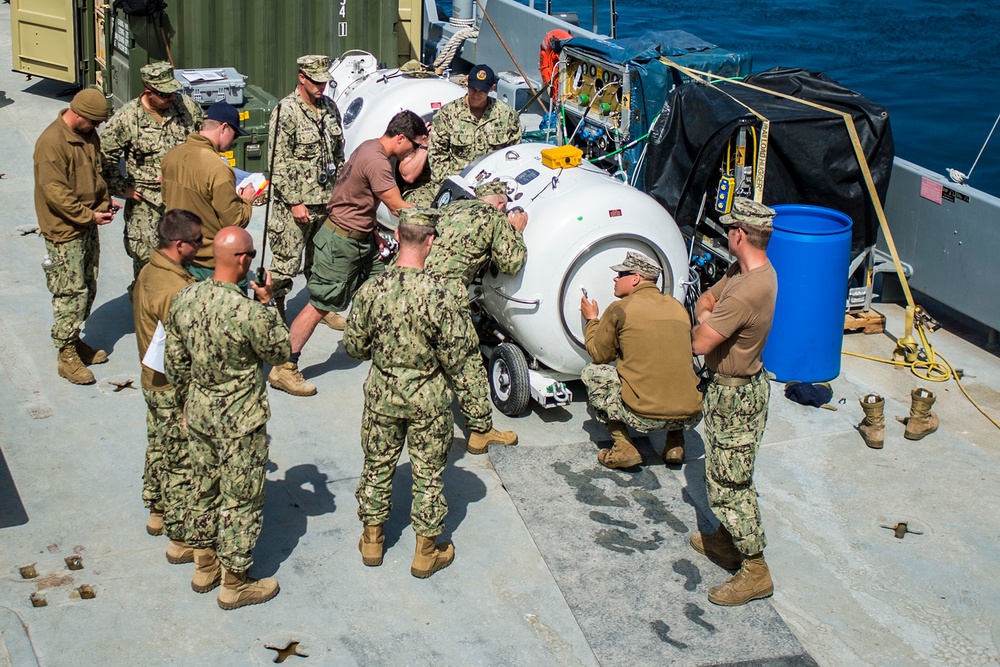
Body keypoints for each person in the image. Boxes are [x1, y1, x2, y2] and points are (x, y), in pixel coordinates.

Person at [344, 207, 480, 578]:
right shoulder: (441, 294)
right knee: (429, 475)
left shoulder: (372, 289)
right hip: (428, 402)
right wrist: (477, 414)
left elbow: (354, 347)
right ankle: (425, 552)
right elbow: (459, 359)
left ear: (399, 237)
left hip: (382, 397)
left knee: (376, 466)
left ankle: (372, 541)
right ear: (431, 241)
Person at [164, 226, 290, 610]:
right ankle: (234, 582)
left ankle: (204, 564)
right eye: (250, 254)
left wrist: (186, 403)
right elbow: (282, 350)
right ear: (242, 260)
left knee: (203, 488)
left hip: (200, 413)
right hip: (241, 421)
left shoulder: (185, 298)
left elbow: (175, 363)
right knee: (241, 500)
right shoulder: (248, 312)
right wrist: (268, 302)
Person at [268, 110, 428, 397]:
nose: (414, 151)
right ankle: (284, 366)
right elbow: (397, 207)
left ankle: (386, 349)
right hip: (341, 242)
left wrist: (373, 232)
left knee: (385, 285)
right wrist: (436, 220)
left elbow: (356, 199)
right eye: (415, 146)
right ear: (401, 138)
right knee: (320, 303)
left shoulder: (370, 146)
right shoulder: (378, 161)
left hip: (361, 237)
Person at [689, 197, 778, 607]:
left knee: (730, 484)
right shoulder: (742, 274)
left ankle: (755, 569)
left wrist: (706, 319)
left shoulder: (747, 291)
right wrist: (709, 312)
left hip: (736, 394)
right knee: (725, 468)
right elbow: (708, 298)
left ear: (739, 234)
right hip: (733, 387)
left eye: (729, 230)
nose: (726, 235)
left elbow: (699, 341)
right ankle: (727, 540)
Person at [425, 179, 527, 454]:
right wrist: (515, 231)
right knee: (467, 364)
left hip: (413, 285)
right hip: (446, 296)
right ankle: (480, 432)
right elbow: (511, 262)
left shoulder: (451, 209)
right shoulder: (495, 218)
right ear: (502, 204)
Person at [580, 251, 703, 469]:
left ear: (636, 278)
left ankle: (623, 446)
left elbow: (600, 355)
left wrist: (592, 320)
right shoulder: (677, 306)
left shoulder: (620, 309)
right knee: (672, 366)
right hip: (689, 414)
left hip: (644, 415)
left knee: (594, 372)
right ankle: (675, 443)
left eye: (621, 274)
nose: (615, 278)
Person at [33, 87, 115, 385]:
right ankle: (66, 352)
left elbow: (95, 174)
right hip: (64, 230)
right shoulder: (51, 144)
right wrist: (89, 215)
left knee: (88, 284)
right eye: (93, 122)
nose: (97, 128)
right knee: (70, 291)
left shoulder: (87, 135)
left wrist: (104, 202)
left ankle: (75, 337)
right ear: (76, 114)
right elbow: (56, 194)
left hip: (87, 224)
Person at [101, 61, 204, 291]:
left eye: (173, 92)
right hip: (146, 204)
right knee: (147, 267)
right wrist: (122, 187)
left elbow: (203, 142)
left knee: (187, 262)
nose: (171, 98)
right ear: (149, 91)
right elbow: (103, 159)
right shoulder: (127, 118)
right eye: (165, 94)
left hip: (183, 201)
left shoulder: (186, 107)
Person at [132, 209, 200, 556]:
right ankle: (181, 535)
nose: (200, 247)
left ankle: (156, 510)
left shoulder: (150, 270)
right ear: (179, 245)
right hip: (172, 386)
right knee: (182, 460)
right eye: (196, 242)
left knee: (159, 446)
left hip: (151, 378)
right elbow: (184, 350)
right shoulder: (176, 290)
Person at [267, 55, 345, 319]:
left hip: (326, 202)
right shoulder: (285, 111)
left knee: (323, 262)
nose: (322, 87)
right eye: (316, 81)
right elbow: (276, 162)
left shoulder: (330, 108)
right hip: (296, 206)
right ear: (302, 78)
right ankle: (275, 311)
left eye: (325, 81)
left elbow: (338, 154)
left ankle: (321, 309)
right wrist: (294, 202)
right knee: (285, 264)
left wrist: (342, 192)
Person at [160, 102, 258, 280]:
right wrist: (246, 201)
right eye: (234, 135)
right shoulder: (218, 168)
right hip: (210, 264)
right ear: (224, 128)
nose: (234, 142)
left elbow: (167, 201)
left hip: (179, 257)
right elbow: (234, 221)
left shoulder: (171, 155)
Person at [409, 64, 522, 205]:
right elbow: (437, 155)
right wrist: (451, 187)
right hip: (456, 182)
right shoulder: (447, 114)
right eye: (473, 89)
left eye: (482, 91)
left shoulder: (507, 116)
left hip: (492, 185)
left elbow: (513, 154)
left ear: (492, 88)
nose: (476, 95)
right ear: (467, 82)